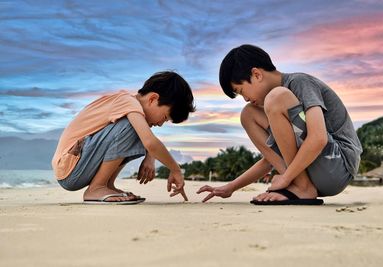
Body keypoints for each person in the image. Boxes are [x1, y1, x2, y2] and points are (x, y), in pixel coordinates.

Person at [197, 44, 362, 205]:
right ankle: (301, 184)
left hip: (338, 165)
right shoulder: (277, 108)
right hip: (314, 172)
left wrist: (285, 178)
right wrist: (231, 187)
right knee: (248, 114)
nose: (245, 98)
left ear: (256, 74)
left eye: (241, 91)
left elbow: (318, 138)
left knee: (276, 97)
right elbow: (272, 158)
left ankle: (301, 187)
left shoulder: (299, 83)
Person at [52, 71, 195, 204]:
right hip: (70, 168)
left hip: (76, 168)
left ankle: (106, 185)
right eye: (164, 117)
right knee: (132, 125)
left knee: (138, 126)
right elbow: (150, 142)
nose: (160, 124)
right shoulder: (127, 102)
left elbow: (149, 142)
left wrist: (150, 157)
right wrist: (175, 169)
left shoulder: (131, 108)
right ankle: (96, 188)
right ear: (152, 99)